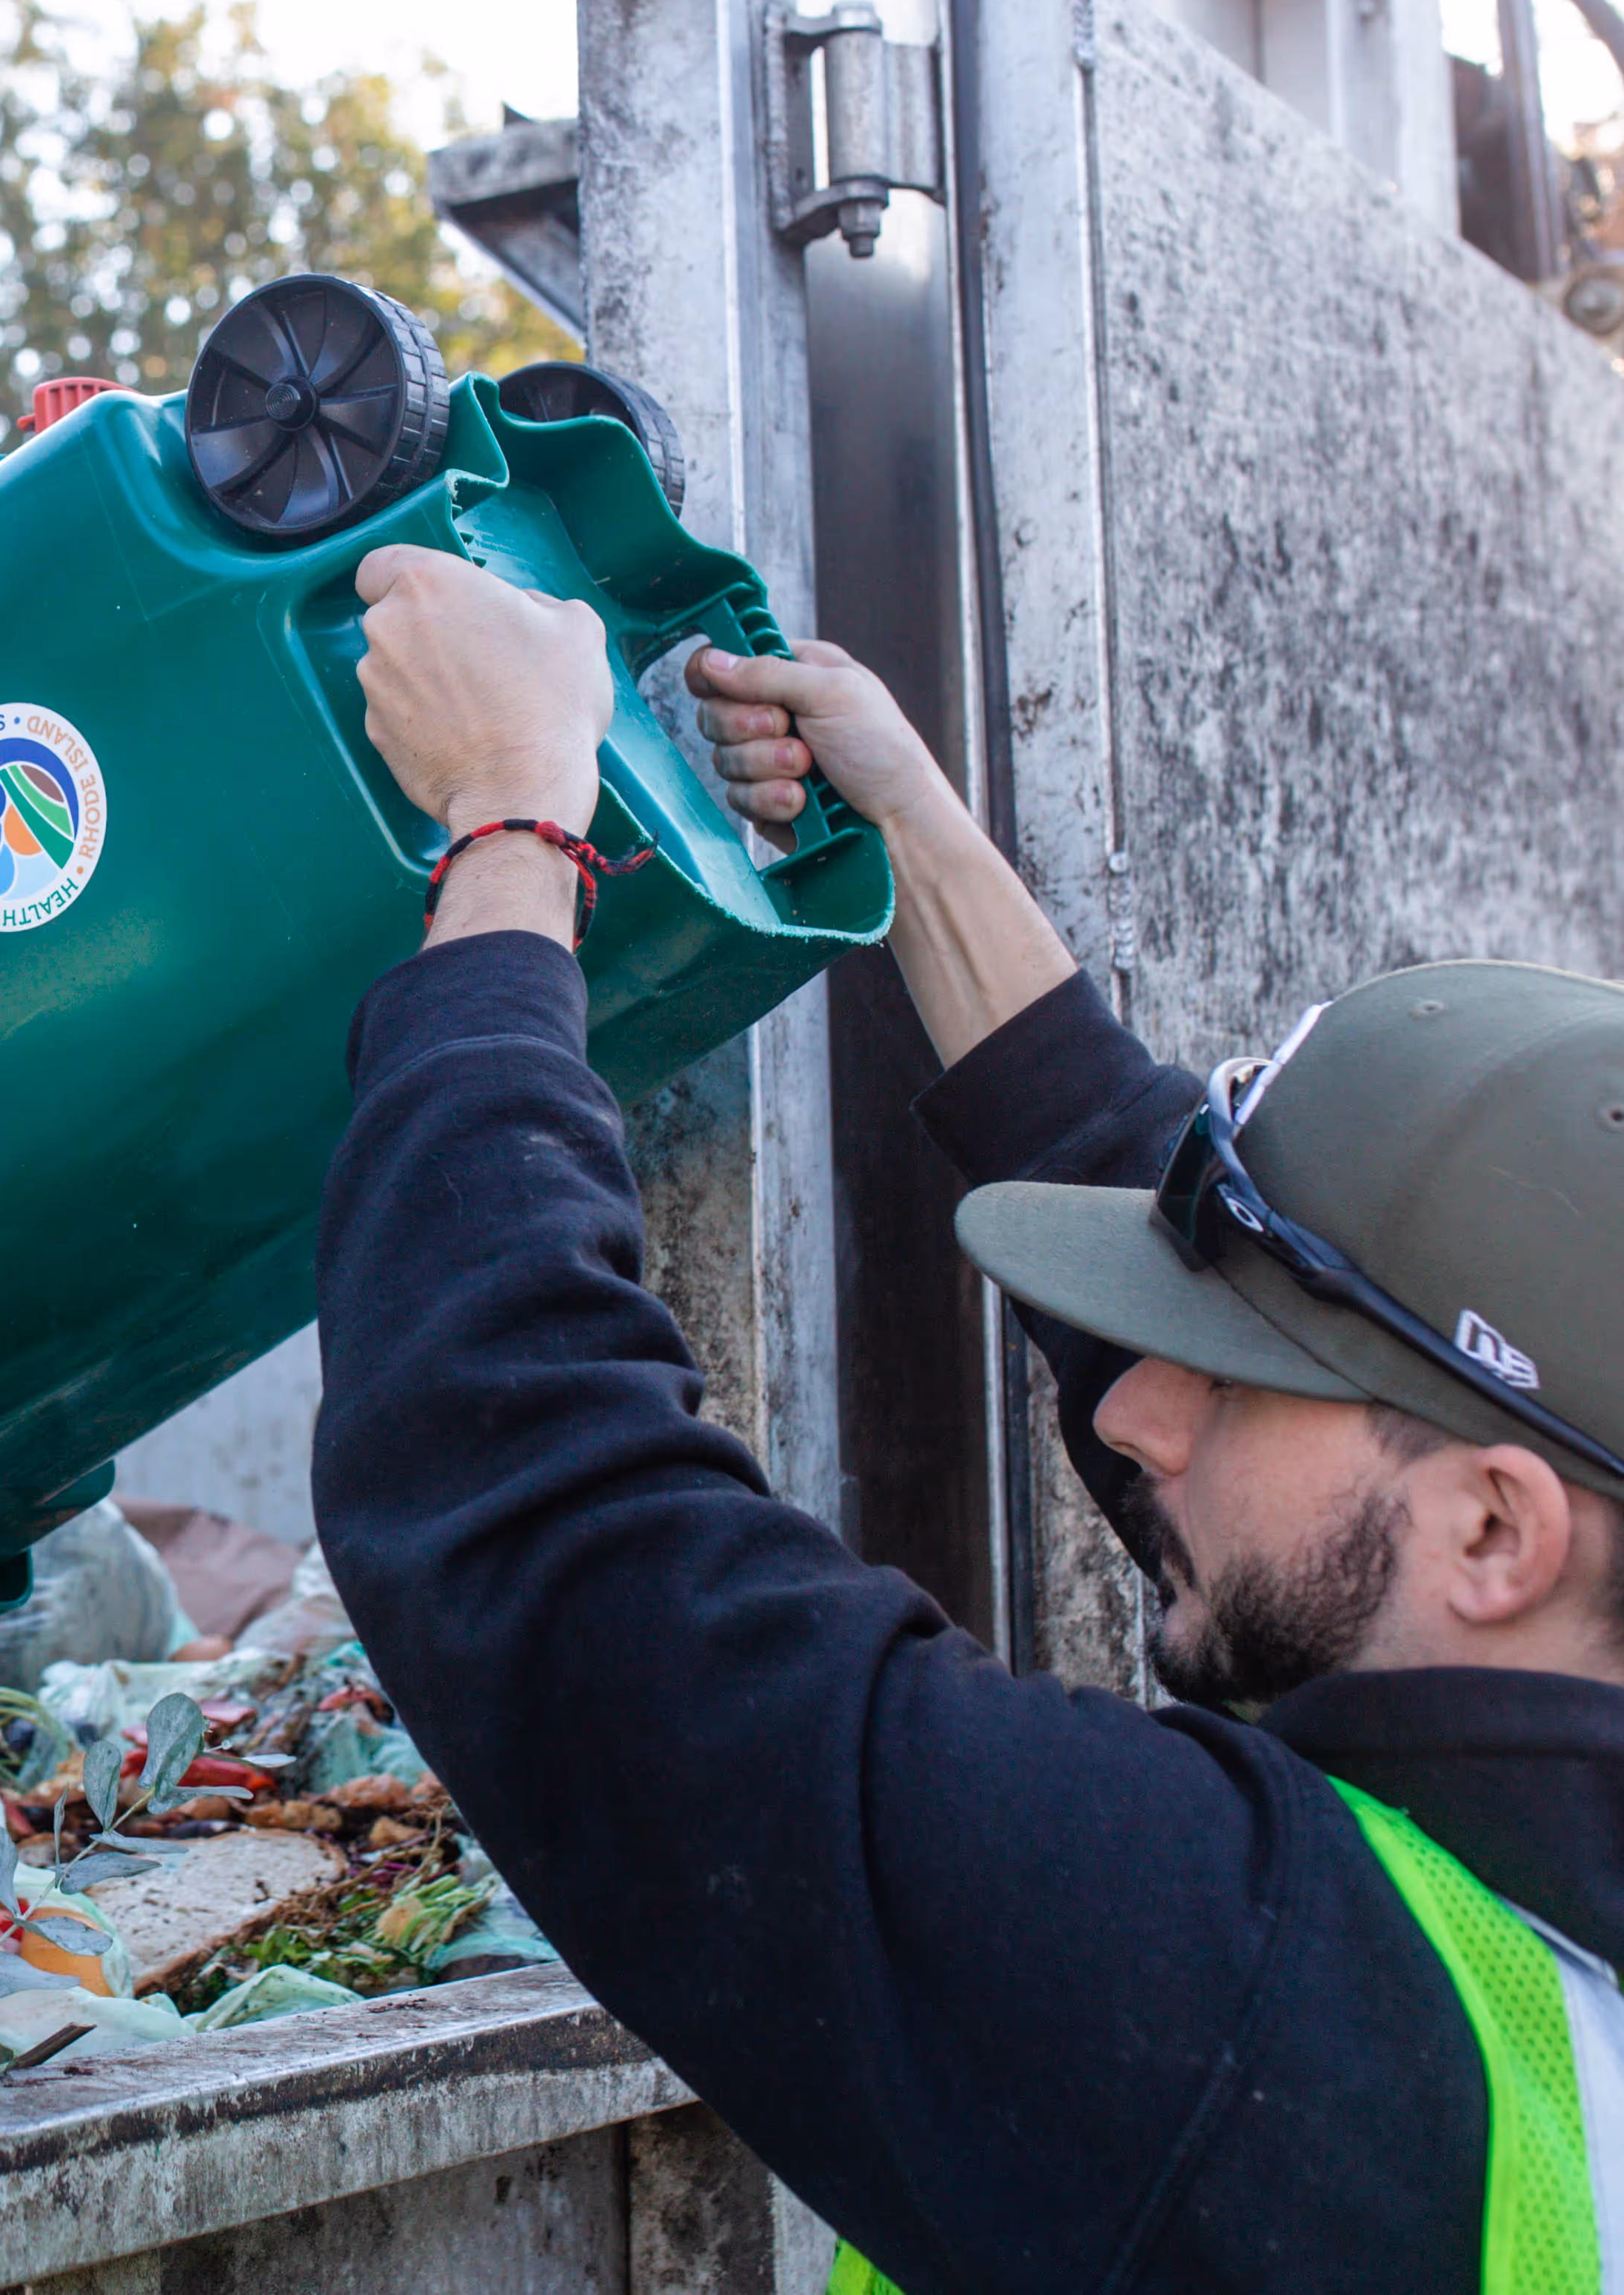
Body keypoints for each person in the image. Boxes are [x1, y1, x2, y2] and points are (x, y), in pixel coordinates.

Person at [314, 541, 1624, 2294]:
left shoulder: (1253, 2000)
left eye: (1236, 1373)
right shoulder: (1520, 1954)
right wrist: (910, 834)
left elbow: (531, 1505)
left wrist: (508, 816)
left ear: (1494, 1531)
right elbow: (1226, 1317)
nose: (1136, 1412)